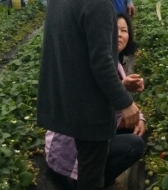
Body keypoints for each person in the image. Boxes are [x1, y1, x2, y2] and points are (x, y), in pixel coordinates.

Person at [38, 0, 141, 190]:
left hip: (62, 96)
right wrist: (125, 102)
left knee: (87, 167)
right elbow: (102, 61)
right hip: (87, 105)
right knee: (91, 173)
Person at [44, 14, 147, 188]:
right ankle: (87, 182)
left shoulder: (117, 65)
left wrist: (140, 118)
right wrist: (121, 90)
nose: (119, 35)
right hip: (70, 152)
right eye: (114, 30)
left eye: (124, 30)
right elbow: (90, 101)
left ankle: (97, 179)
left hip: (88, 141)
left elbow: (122, 109)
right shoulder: (91, 63)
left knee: (132, 135)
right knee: (134, 145)